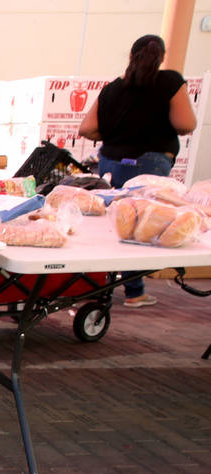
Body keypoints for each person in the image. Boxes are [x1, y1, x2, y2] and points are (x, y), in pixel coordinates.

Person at [79, 34, 197, 308]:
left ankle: (98, 286)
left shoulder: (113, 88)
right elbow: (185, 123)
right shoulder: (169, 82)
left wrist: (115, 134)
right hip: (150, 162)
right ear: (161, 57)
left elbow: (86, 129)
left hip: (110, 161)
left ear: (130, 56)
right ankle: (134, 291)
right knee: (142, 226)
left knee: (111, 223)